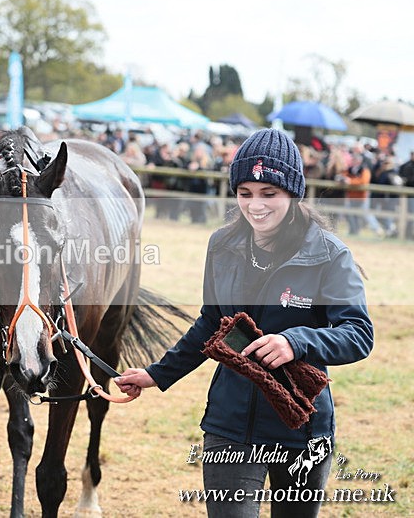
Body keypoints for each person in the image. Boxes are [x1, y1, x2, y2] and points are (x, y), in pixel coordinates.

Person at [114, 128, 374, 518]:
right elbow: (211, 322)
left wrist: (296, 342)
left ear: (292, 193)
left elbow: (358, 334)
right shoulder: (222, 245)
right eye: (245, 193)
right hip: (229, 424)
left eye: (269, 193)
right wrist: (157, 374)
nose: (255, 206)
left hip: (302, 428)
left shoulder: (330, 255)